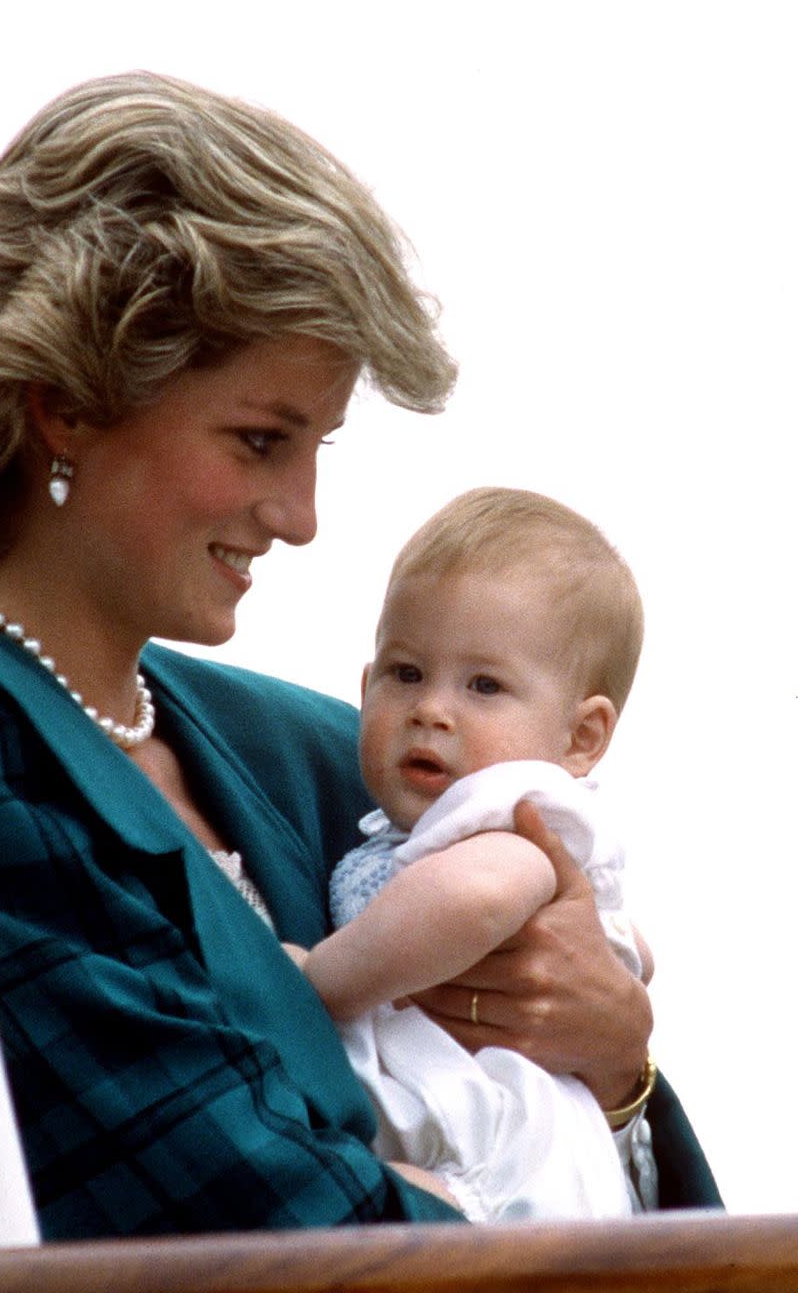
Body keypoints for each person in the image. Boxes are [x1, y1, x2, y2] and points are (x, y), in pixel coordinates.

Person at [0, 73, 718, 1246]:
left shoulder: (325, 754)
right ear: (66, 406)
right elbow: (246, 1210)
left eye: (317, 446)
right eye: (261, 440)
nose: (302, 515)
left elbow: (623, 1191)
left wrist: (617, 1064)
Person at [294, 487, 672, 1221]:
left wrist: (318, 980)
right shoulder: (438, 827)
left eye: (485, 686)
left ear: (581, 737)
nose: (432, 708)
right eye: (405, 673)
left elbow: (476, 899)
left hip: (499, 1160)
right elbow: (633, 953)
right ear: (364, 685)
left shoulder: (512, 811)